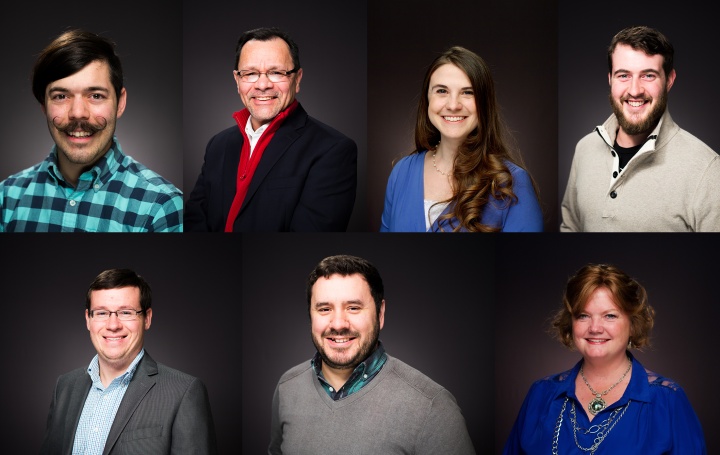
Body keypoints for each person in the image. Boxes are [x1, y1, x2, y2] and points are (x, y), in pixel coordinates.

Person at [268, 254, 476, 454]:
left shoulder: (433, 407)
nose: (338, 324)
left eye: (353, 308)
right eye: (324, 309)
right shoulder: (288, 386)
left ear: (380, 313)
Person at [503, 263, 706, 454]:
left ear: (633, 323)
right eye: (583, 315)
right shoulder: (540, 394)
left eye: (610, 315)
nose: (595, 328)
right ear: (571, 322)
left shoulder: (668, 400)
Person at [0, 29, 183, 232]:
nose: (78, 113)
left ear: (120, 103)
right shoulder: (6, 197)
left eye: (95, 95)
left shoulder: (162, 206)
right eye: (61, 96)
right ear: (44, 105)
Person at [185, 27, 357, 232]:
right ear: (237, 80)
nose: (263, 84)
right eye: (250, 73)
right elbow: (194, 220)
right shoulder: (218, 144)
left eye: (276, 72)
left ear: (297, 78)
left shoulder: (333, 150)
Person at [40, 268, 217, 454]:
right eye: (101, 313)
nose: (113, 325)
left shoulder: (184, 392)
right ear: (88, 319)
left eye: (126, 312)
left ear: (147, 318)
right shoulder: (65, 387)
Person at [561, 25, 720, 232]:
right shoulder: (584, 148)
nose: (635, 90)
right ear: (610, 79)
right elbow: (570, 228)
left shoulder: (707, 170)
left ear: (669, 81)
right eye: (623, 75)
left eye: (648, 75)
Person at [380, 46, 543, 232]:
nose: (453, 105)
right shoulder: (401, 172)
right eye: (442, 91)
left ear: (484, 104)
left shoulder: (513, 183)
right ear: (427, 100)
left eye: (468, 92)